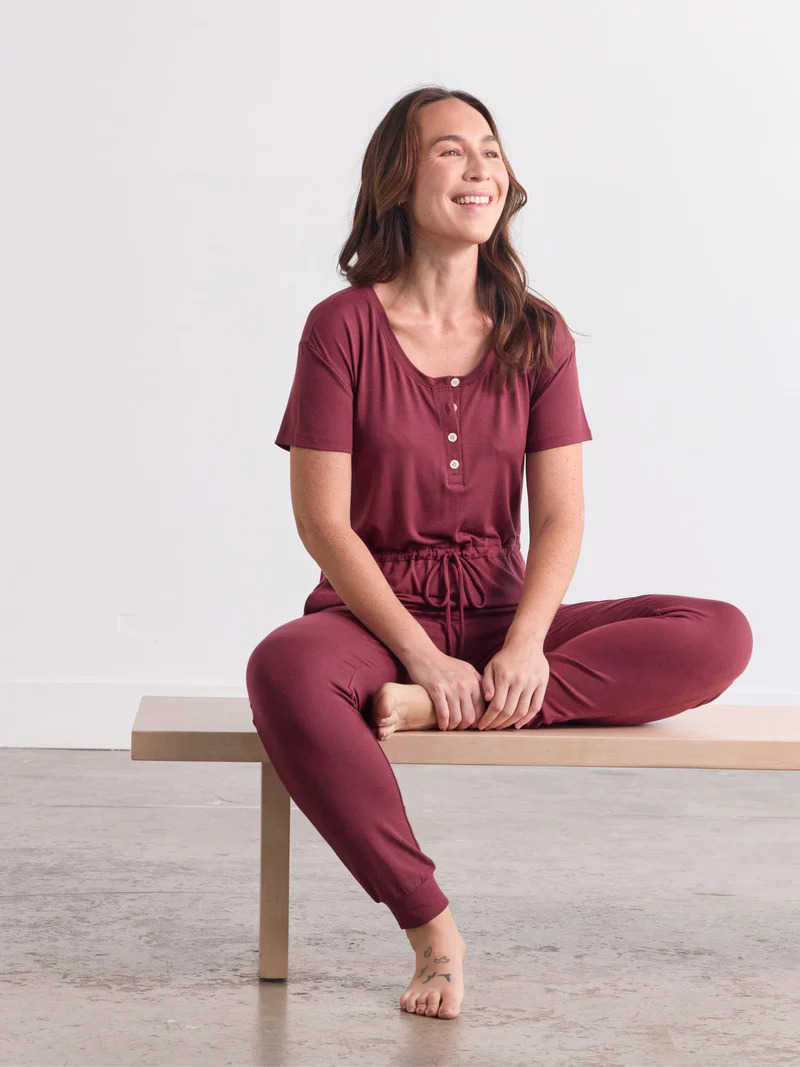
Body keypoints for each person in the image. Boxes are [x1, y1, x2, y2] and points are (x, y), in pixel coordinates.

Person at [245, 87, 753, 1021]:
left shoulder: (538, 330)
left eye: (490, 149)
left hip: (494, 609)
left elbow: (560, 519)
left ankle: (446, 712)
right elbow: (324, 523)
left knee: (717, 633)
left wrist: (521, 647)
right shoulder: (341, 326)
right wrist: (423, 656)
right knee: (282, 667)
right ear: (399, 179)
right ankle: (431, 922)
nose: (480, 167)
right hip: (374, 613)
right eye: (450, 151)